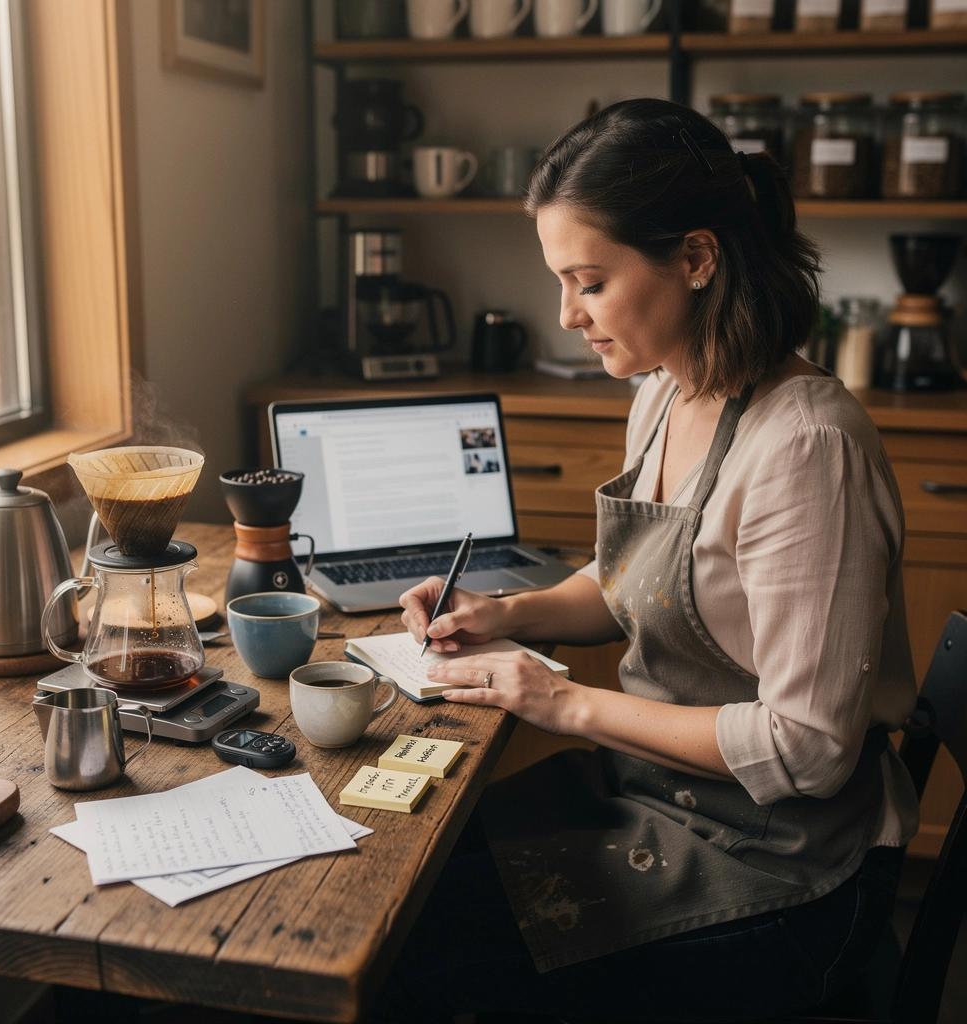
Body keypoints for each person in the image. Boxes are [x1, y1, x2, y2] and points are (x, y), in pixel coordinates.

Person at [371, 98, 920, 1022]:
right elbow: (640, 587)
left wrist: (562, 702)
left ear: (697, 259)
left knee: (412, 950)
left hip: (778, 862)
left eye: (588, 281)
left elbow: (810, 749)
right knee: (405, 868)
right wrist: (507, 614)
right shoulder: (666, 391)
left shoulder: (806, 447)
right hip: (654, 795)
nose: (567, 313)